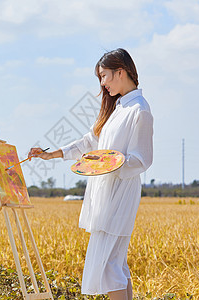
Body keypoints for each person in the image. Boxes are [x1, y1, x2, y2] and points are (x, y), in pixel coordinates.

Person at [28, 48, 153, 300]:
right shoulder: (117, 109)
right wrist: (52, 154)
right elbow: (89, 143)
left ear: (121, 71)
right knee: (116, 262)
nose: (102, 84)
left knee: (108, 265)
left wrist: (109, 162)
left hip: (120, 192)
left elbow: (141, 160)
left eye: (104, 76)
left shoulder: (139, 110)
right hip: (106, 191)